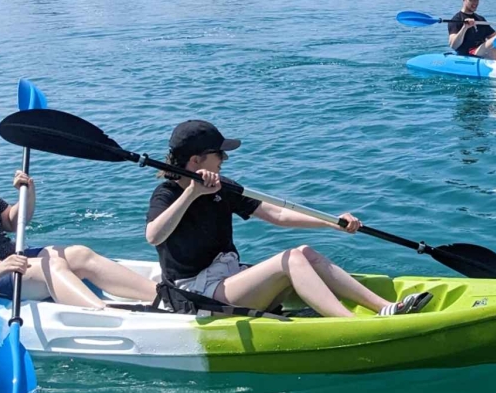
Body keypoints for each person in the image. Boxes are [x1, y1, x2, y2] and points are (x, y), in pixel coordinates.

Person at [145, 120, 432, 317]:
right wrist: (192, 193)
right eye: (218, 154)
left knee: (305, 253)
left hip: (228, 277)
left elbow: (278, 214)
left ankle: (385, 307)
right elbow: (154, 236)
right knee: (291, 259)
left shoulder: (223, 186)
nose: (224, 159)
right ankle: (350, 323)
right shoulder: (167, 194)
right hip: (196, 294)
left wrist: (333, 222)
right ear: (195, 161)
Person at [0, 128, 159, 308]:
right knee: (53, 268)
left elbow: (11, 221)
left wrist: (27, 194)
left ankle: (164, 298)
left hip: (3, 259)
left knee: (79, 254)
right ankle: (106, 317)